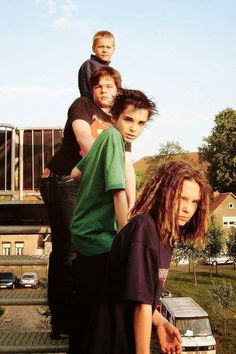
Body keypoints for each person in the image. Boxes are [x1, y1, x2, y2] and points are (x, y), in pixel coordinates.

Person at [73, 160, 212, 354]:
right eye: (181, 198)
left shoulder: (164, 236)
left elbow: (135, 294)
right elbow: (141, 305)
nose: (188, 209)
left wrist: (161, 322)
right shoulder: (144, 229)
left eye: (194, 201)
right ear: (165, 195)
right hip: (110, 343)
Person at [40, 66, 131, 339]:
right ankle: (61, 323)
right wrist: (105, 164)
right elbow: (84, 137)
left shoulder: (118, 120)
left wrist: (131, 201)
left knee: (90, 250)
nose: (104, 91)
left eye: (110, 86)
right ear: (92, 89)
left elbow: (125, 165)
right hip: (63, 179)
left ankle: (85, 318)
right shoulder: (82, 106)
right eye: (99, 86)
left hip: (90, 185)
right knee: (67, 249)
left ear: (118, 91)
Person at [69, 89, 157, 353]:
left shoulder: (102, 140)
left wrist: (92, 185)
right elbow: (118, 191)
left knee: (86, 316)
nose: (134, 128)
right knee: (109, 320)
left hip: (84, 235)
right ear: (116, 116)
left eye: (141, 123)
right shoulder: (114, 140)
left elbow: (75, 173)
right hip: (100, 240)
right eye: (129, 119)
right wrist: (127, 236)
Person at [78, 30, 115, 99]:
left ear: (113, 49)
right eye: (101, 47)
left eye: (108, 47)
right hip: (92, 107)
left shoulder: (111, 70)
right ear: (93, 49)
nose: (105, 50)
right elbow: (88, 92)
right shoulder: (90, 65)